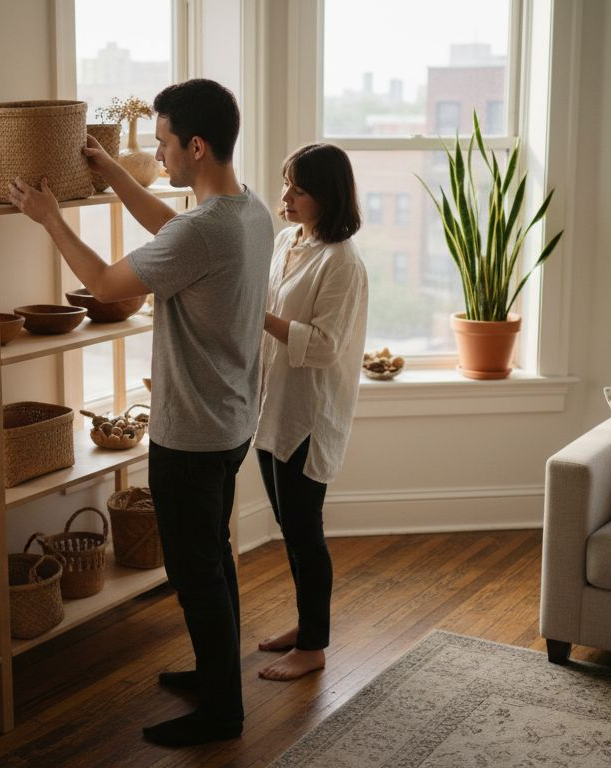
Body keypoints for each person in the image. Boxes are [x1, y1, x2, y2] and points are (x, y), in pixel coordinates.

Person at [7, 78, 273, 747]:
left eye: (162, 143)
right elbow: (173, 231)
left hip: (191, 435)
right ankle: (217, 679)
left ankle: (222, 713)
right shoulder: (249, 211)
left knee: (195, 572)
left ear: (197, 146)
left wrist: (50, 218)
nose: (156, 155)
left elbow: (103, 285)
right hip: (231, 423)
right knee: (213, 558)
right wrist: (114, 173)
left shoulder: (204, 231)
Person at [254, 143, 367, 682]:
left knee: (304, 530)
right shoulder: (287, 241)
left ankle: (314, 646)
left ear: (328, 195)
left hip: (308, 413)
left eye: (299, 189)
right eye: (286, 184)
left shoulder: (342, 261)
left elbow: (323, 346)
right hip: (272, 403)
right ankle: (306, 625)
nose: (286, 196)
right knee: (289, 525)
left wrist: (258, 315)